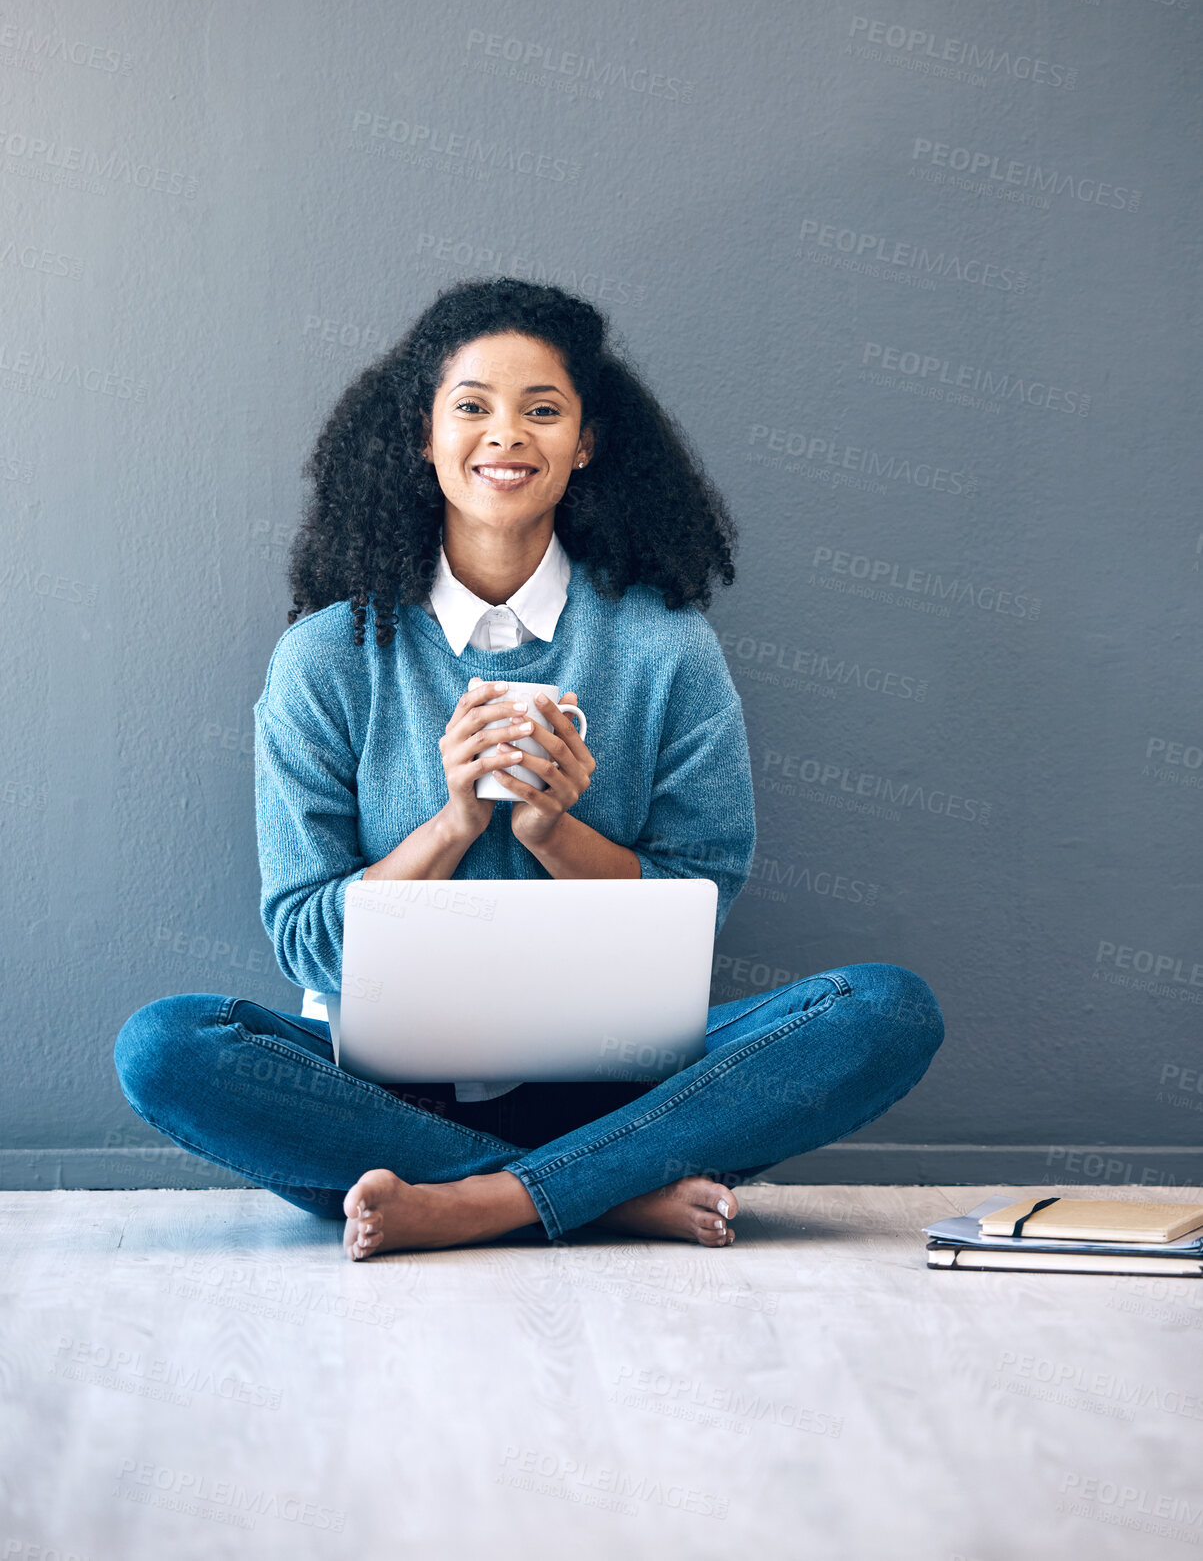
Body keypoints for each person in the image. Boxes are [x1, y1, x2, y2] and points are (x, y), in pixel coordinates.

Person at [113, 276, 944, 1262]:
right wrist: (453, 820)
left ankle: (475, 1202)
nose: (505, 435)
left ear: (586, 441)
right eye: (471, 407)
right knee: (166, 1047)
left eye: (541, 410)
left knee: (886, 1011)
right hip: (389, 1095)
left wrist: (556, 829)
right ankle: (602, 1194)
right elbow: (308, 944)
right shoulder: (327, 658)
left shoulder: (664, 648)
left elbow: (700, 902)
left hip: (621, 1083)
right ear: (421, 436)